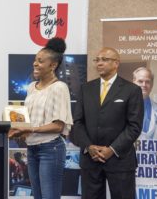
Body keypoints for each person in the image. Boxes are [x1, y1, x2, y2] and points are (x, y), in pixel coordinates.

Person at [72, 47, 144, 199]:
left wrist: (111, 149)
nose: (99, 63)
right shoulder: (86, 89)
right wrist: (89, 146)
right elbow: (77, 122)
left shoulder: (132, 90)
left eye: (104, 59)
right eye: (97, 60)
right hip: (90, 160)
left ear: (116, 63)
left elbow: (134, 127)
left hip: (120, 160)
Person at [9, 37, 73, 199]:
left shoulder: (59, 88)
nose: (35, 64)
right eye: (35, 60)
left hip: (51, 149)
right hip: (32, 149)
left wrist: (29, 129)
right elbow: (27, 119)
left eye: (40, 61)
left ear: (53, 65)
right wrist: (20, 133)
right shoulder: (31, 87)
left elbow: (58, 126)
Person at [132, 67, 157, 139]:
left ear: (152, 84)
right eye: (140, 81)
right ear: (133, 82)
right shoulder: (120, 107)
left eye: (147, 82)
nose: (144, 85)